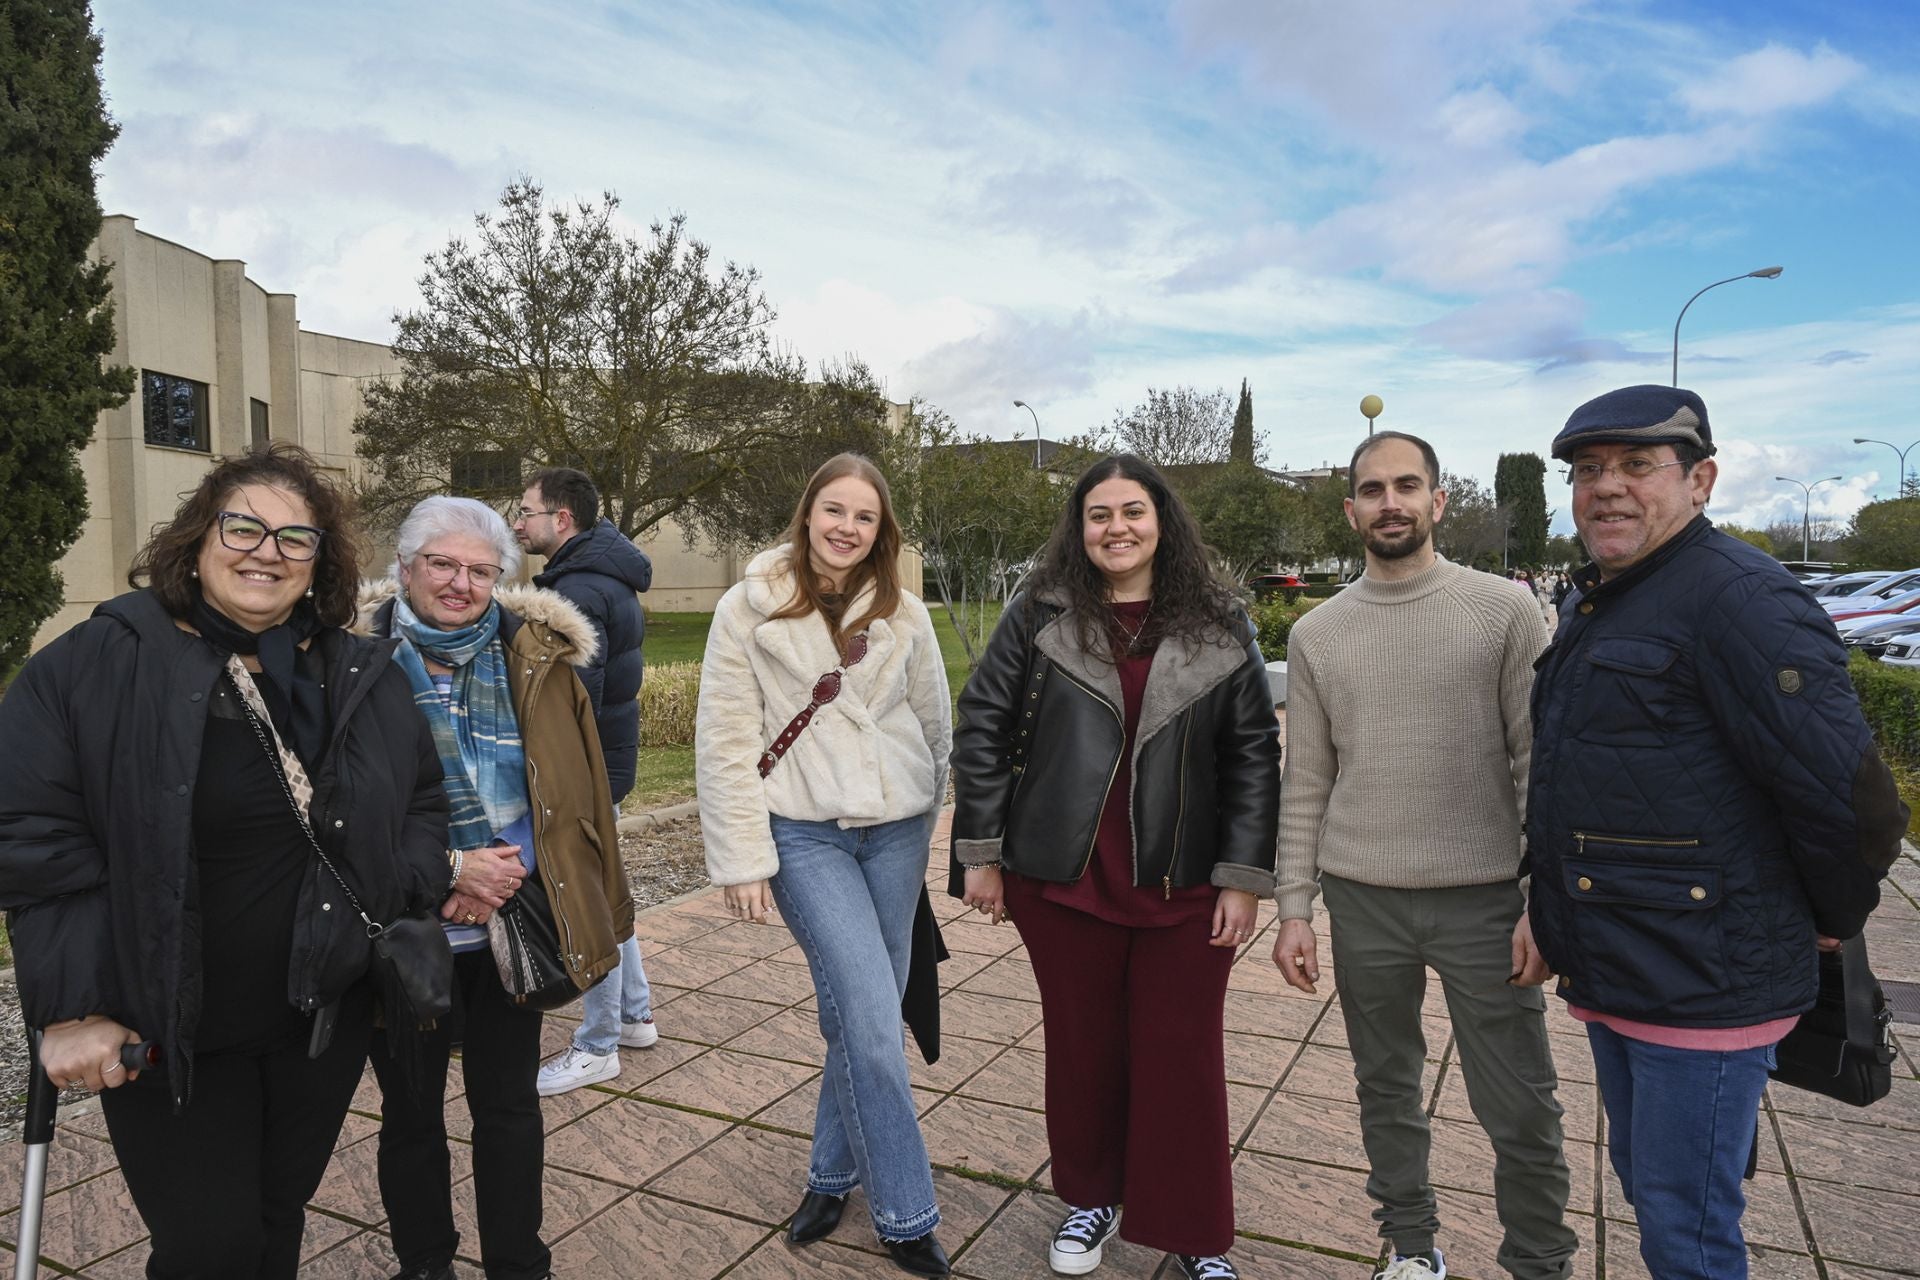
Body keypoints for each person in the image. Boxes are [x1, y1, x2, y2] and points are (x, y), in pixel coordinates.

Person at [0, 444, 450, 1277]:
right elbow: (33, 839)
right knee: (211, 1248)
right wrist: (70, 1007)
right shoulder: (97, 665)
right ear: (197, 539)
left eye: (295, 539)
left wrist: (407, 888)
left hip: (318, 1020)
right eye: (243, 526)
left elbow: (422, 797)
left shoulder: (352, 671)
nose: (265, 551)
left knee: (276, 1224)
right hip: (168, 1026)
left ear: (319, 563)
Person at [1526, 385, 1907, 1279]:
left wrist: (1826, 921)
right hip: (1626, 962)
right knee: (1654, 1194)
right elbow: (1581, 780)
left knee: (1688, 1230)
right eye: (1588, 470)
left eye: (1636, 466)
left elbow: (1855, 805)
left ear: (1701, 480)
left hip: (1703, 979)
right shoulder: (1611, 596)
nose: (1606, 488)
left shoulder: (1739, 598)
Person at [950, 454, 1280, 1280]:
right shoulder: (1040, 613)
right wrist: (981, 855)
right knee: (1084, 1047)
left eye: (1133, 511)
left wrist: (1244, 875)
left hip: (1186, 883)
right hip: (1062, 878)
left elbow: (1251, 757)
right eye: (1099, 515)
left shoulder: (1218, 622)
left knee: (1183, 1058)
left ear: (1161, 520)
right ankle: (1091, 1197)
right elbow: (983, 726)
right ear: (1080, 526)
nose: (1117, 528)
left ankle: (1196, 1234)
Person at [1270, 432, 1577, 1280]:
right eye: (1373, 490)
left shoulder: (1505, 611)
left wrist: (1537, 899)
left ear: (1439, 501)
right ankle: (1411, 1249)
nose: (1391, 502)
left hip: (1484, 900)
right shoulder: (1318, 633)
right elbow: (1308, 782)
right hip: (1363, 897)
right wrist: (1294, 906)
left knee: (1519, 1102)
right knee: (1386, 1089)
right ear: (1352, 511)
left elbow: (1536, 766)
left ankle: (1541, 1263)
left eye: (1408, 486)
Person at [696, 454, 954, 1277]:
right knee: (875, 1019)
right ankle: (907, 1212)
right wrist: (741, 857)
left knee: (856, 1016)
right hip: (805, 836)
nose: (847, 527)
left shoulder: (902, 610)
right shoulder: (749, 608)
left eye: (865, 517)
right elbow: (726, 737)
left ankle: (829, 1176)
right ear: (807, 513)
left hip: (898, 831)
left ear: (882, 531)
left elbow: (933, 723)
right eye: (833, 510)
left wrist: (935, 812)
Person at [364, 495, 634, 1280]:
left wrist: (599, 910)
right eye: (442, 565)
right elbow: (338, 803)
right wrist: (451, 869)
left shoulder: (539, 657)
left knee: (508, 1107)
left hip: (512, 924)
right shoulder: (351, 659)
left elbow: (581, 794)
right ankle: (425, 1262)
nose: (460, 584)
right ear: (407, 568)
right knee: (410, 1116)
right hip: (402, 925)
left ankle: (519, 1263)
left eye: (482, 570)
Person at [513, 466, 663, 1096]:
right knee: (602, 889)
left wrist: (560, 782)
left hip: (585, 770)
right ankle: (634, 1015)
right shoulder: (608, 577)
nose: (518, 523)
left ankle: (597, 1044)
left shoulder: (576, 590)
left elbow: (572, 702)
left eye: (526, 511)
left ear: (562, 519)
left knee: (581, 897)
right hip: (610, 760)